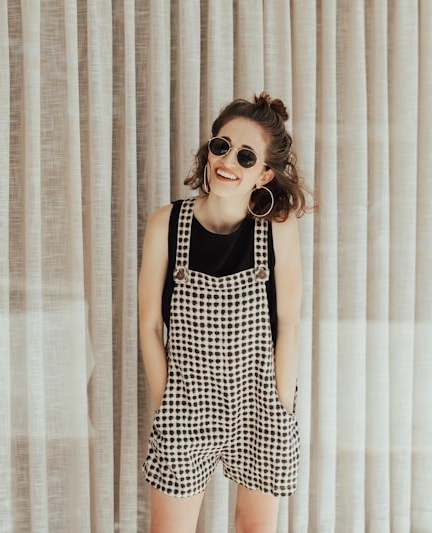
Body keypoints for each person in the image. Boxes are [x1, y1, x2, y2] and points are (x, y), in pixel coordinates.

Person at [138, 92, 310, 532]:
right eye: (222, 146)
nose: (228, 161)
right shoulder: (166, 223)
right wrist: (167, 404)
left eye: (246, 156)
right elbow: (148, 325)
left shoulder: (277, 227)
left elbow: (288, 325)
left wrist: (281, 407)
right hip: (186, 405)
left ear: (265, 174)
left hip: (259, 404)